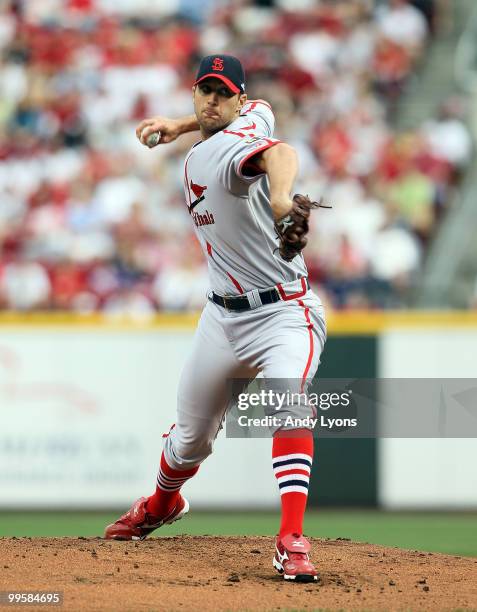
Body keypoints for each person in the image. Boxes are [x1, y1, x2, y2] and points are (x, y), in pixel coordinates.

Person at [104, 54, 327, 583]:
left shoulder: (222, 152)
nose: (211, 100)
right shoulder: (251, 116)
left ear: (237, 101)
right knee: (190, 440)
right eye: (204, 90)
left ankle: (291, 538)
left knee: (290, 406)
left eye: (222, 93)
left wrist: (278, 203)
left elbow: (282, 152)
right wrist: (180, 125)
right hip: (222, 317)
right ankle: (161, 504)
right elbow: (266, 114)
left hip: (283, 313)